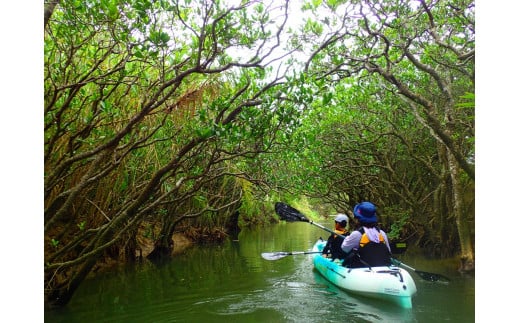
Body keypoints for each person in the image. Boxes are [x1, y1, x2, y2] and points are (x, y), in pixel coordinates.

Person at [341, 201, 392, 268]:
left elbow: (344, 248)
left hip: (362, 268)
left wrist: (348, 238)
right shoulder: (382, 233)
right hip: (382, 266)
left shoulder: (356, 234)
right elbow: (389, 251)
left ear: (359, 219)